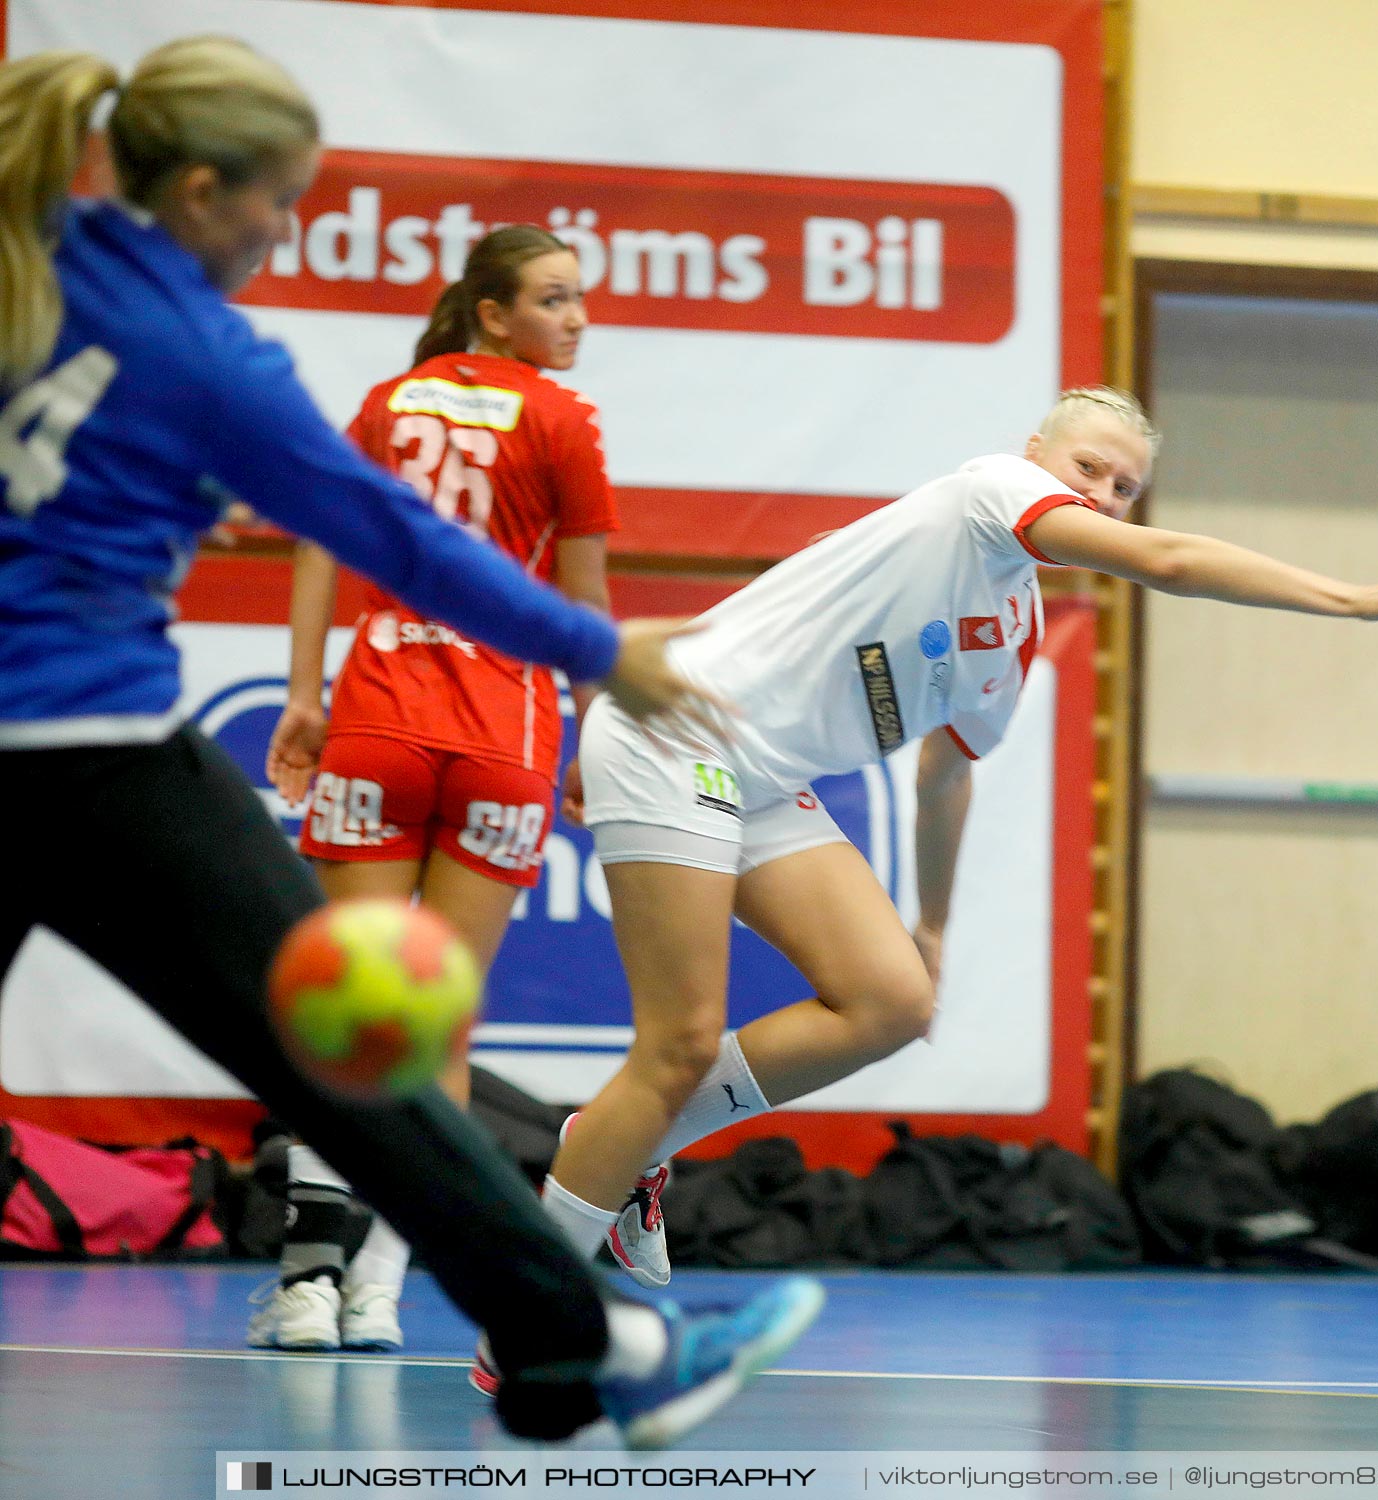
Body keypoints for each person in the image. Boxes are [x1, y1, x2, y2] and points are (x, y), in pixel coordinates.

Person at [0, 38, 821, 1447]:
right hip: (91, 757)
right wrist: (602, 649)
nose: (283, 229)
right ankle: (601, 1343)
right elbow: (393, 538)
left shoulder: (27, 254)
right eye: (276, 202)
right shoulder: (201, 353)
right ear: (199, 190)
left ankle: (576, 1339)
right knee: (351, 1054)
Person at [539, 384, 1378, 1287]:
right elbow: (1173, 564)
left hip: (763, 780)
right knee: (681, 1045)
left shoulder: (1015, 626)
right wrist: (1350, 599)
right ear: (1038, 455)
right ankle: (531, 1304)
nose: (1102, 496)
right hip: (675, 734)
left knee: (892, 1001)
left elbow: (946, 775)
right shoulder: (994, 490)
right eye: (1090, 469)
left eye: (1123, 489)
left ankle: (629, 1143)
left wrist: (934, 928)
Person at [249, 224, 620, 1353]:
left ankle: (311, 1278)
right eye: (555, 301)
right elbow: (585, 607)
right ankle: (384, 1290)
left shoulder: (391, 397)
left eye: (579, 300)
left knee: (343, 1005)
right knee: (439, 1019)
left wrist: (305, 690)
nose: (578, 320)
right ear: (494, 314)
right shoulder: (568, 423)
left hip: (382, 710)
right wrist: (589, 745)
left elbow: (318, 542)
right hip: (504, 729)